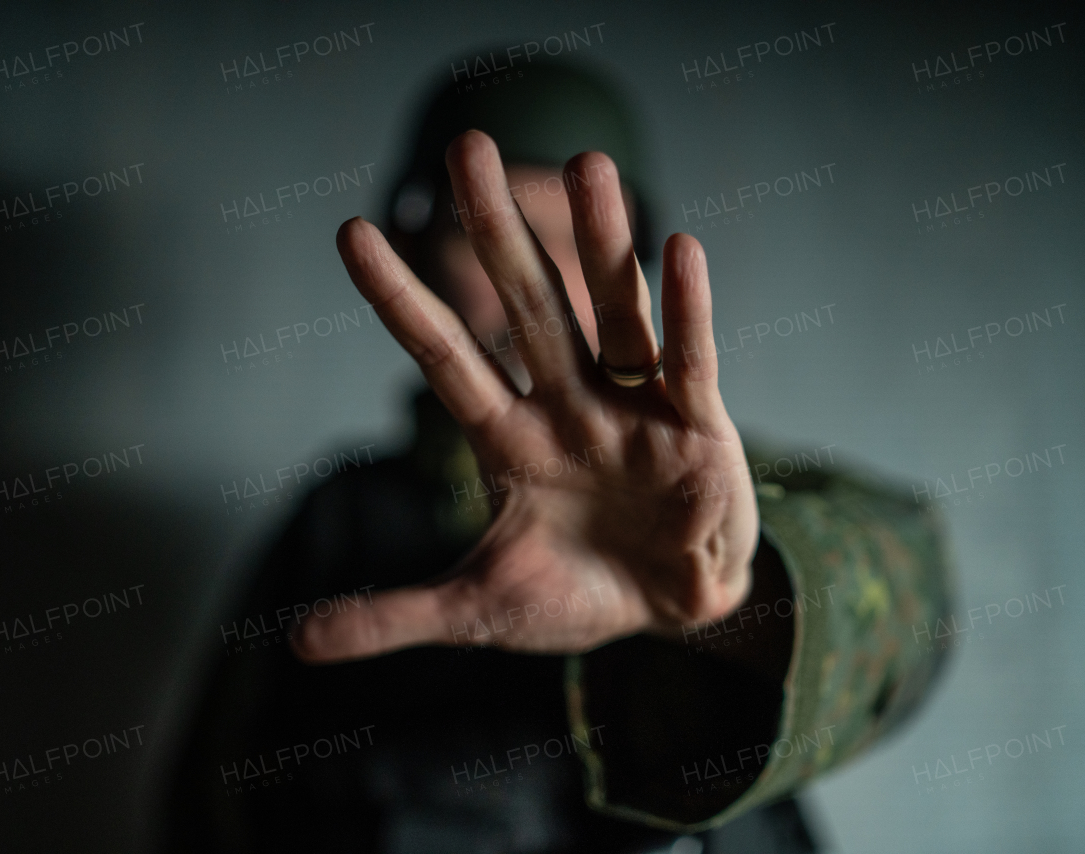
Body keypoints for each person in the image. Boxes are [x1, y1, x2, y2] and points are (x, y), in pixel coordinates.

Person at [166, 59, 953, 853]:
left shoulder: (740, 490)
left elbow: (913, 603)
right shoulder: (343, 516)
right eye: (488, 237)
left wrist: (730, 604)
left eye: (577, 245)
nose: (533, 284)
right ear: (415, 247)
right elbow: (211, 802)